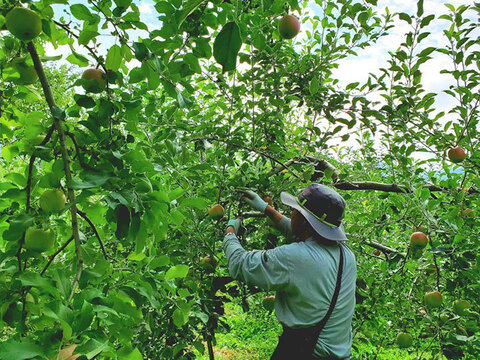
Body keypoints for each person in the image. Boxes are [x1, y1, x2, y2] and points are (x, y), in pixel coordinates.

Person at [223, 184, 356, 360]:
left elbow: (241, 264)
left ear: (303, 220)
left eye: (294, 210)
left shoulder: (294, 258)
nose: (291, 213)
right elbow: (301, 231)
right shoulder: (346, 254)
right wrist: (267, 209)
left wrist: (229, 233)